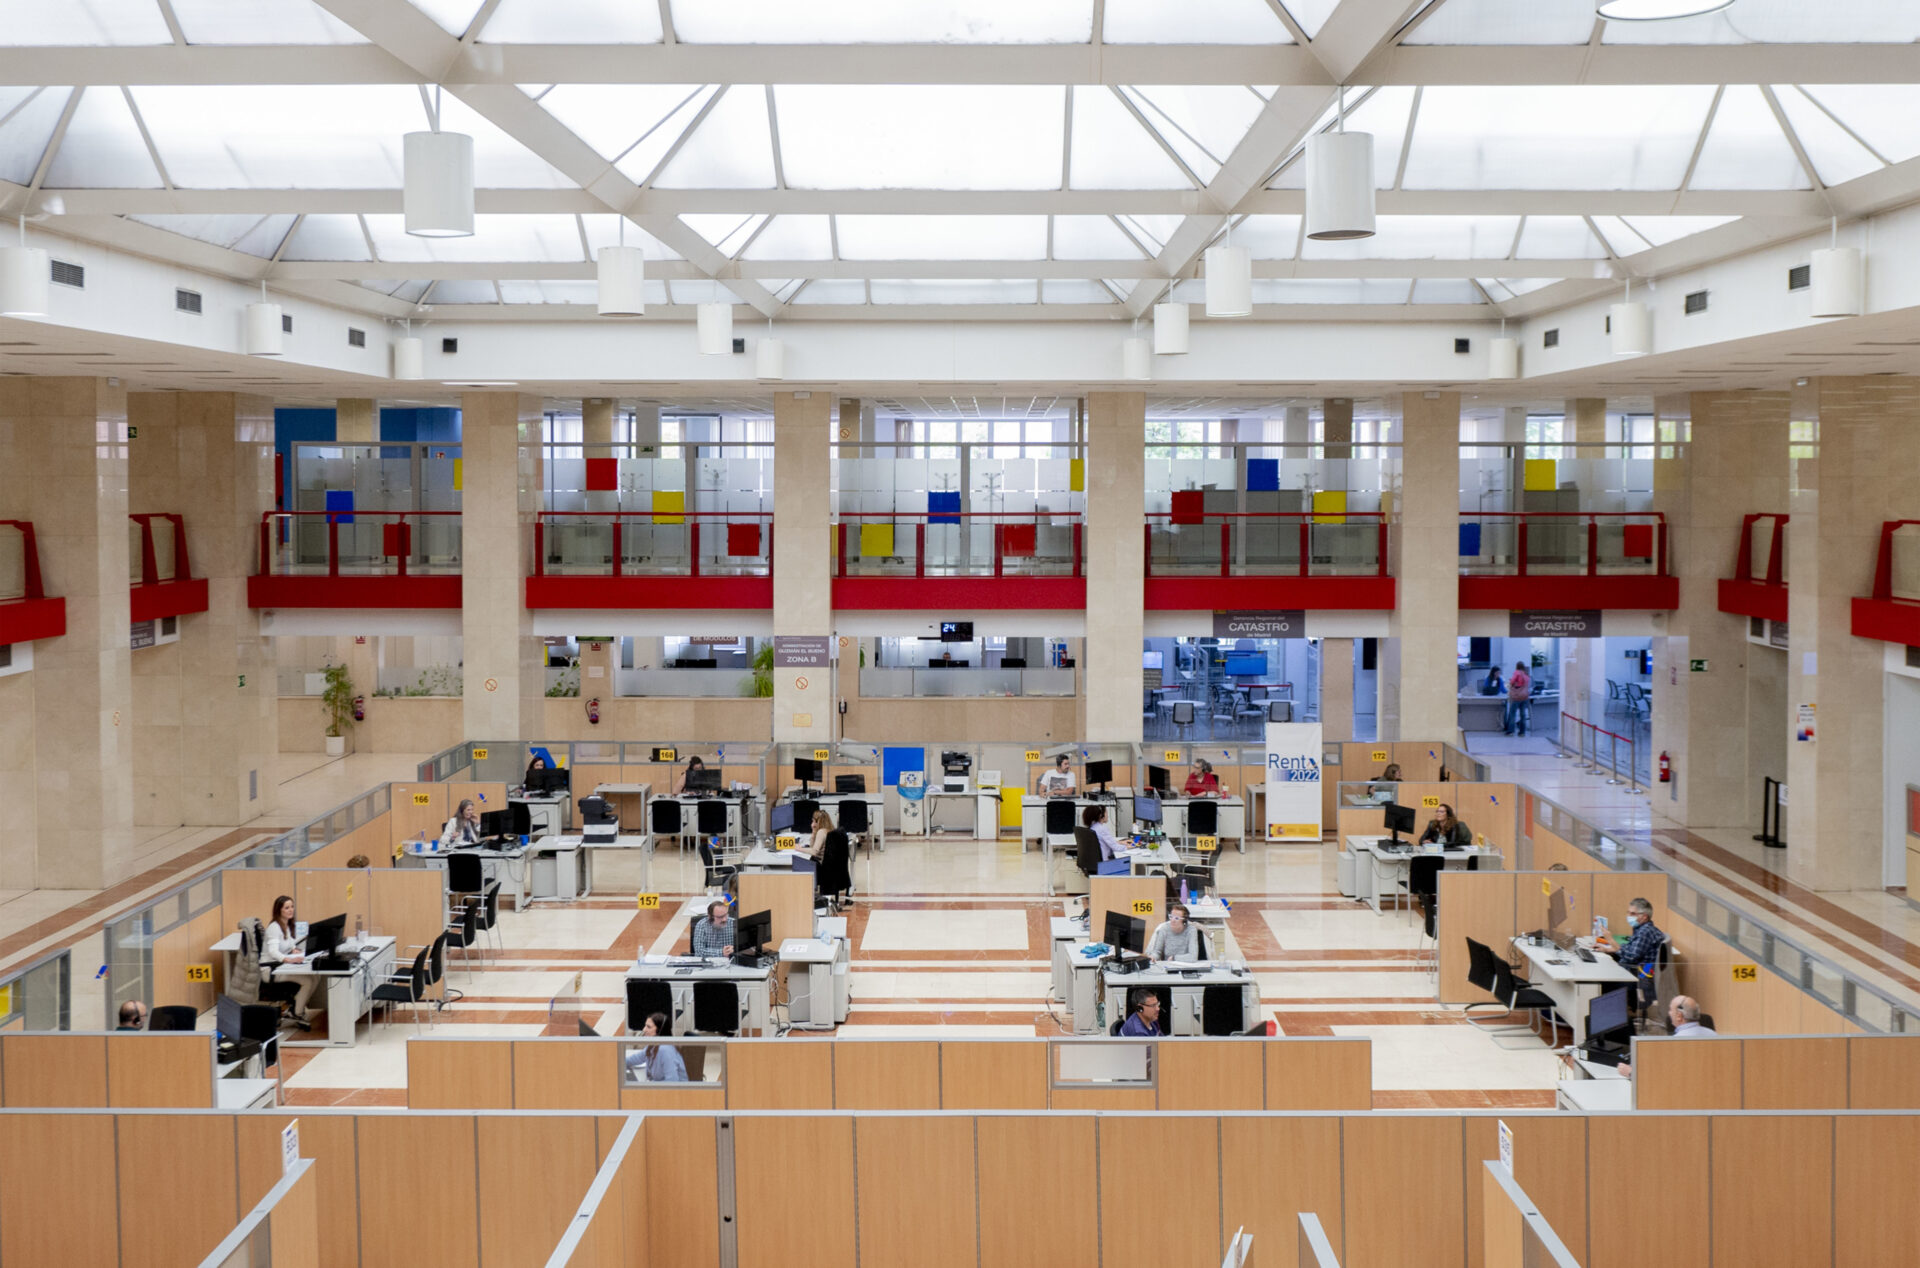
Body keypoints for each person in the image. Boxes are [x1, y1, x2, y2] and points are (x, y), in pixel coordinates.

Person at [1594, 896, 1664, 1007]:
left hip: (1640, 977)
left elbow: (1631, 957)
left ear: (1644, 916)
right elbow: (1630, 949)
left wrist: (1611, 940)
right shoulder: (1643, 929)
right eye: (1628, 913)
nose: (1629, 916)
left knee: (1601, 981)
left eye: (1633, 914)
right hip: (1638, 971)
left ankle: (1610, 1014)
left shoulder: (1645, 932)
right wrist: (1609, 949)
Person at [262, 895, 316, 1022]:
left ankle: (295, 1007)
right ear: (279, 910)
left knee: (315, 977)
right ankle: (297, 1012)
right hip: (270, 970)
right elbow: (273, 952)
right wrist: (289, 959)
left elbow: (290, 943)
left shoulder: (286, 925)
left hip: (281, 966)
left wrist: (293, 950)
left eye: (292, 907)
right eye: (287, 908)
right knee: (308, 981)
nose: (291, 910)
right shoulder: (274, 927)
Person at [626, 1012, 688, 1082]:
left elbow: (672, 1081)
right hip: (658, 1086)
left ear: (659, 1030)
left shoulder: (665, 1050)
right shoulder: (652, 1046)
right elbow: (636, 1058)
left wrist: (649, 1085)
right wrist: (619, 1062)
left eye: (648, 1027)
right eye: (645, 1026)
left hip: (674, 1089)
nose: (644, 1030)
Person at [1505, 661, 1533, 736]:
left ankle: (1511, 731)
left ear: (1517, 666)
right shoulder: (1526, 674)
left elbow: (1512, 682)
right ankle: (1522, 732)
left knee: (1512, 713)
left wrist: (1511, 681)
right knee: (1523, 714)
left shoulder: (1517, 672)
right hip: (1524, 696)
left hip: (1517, 696)